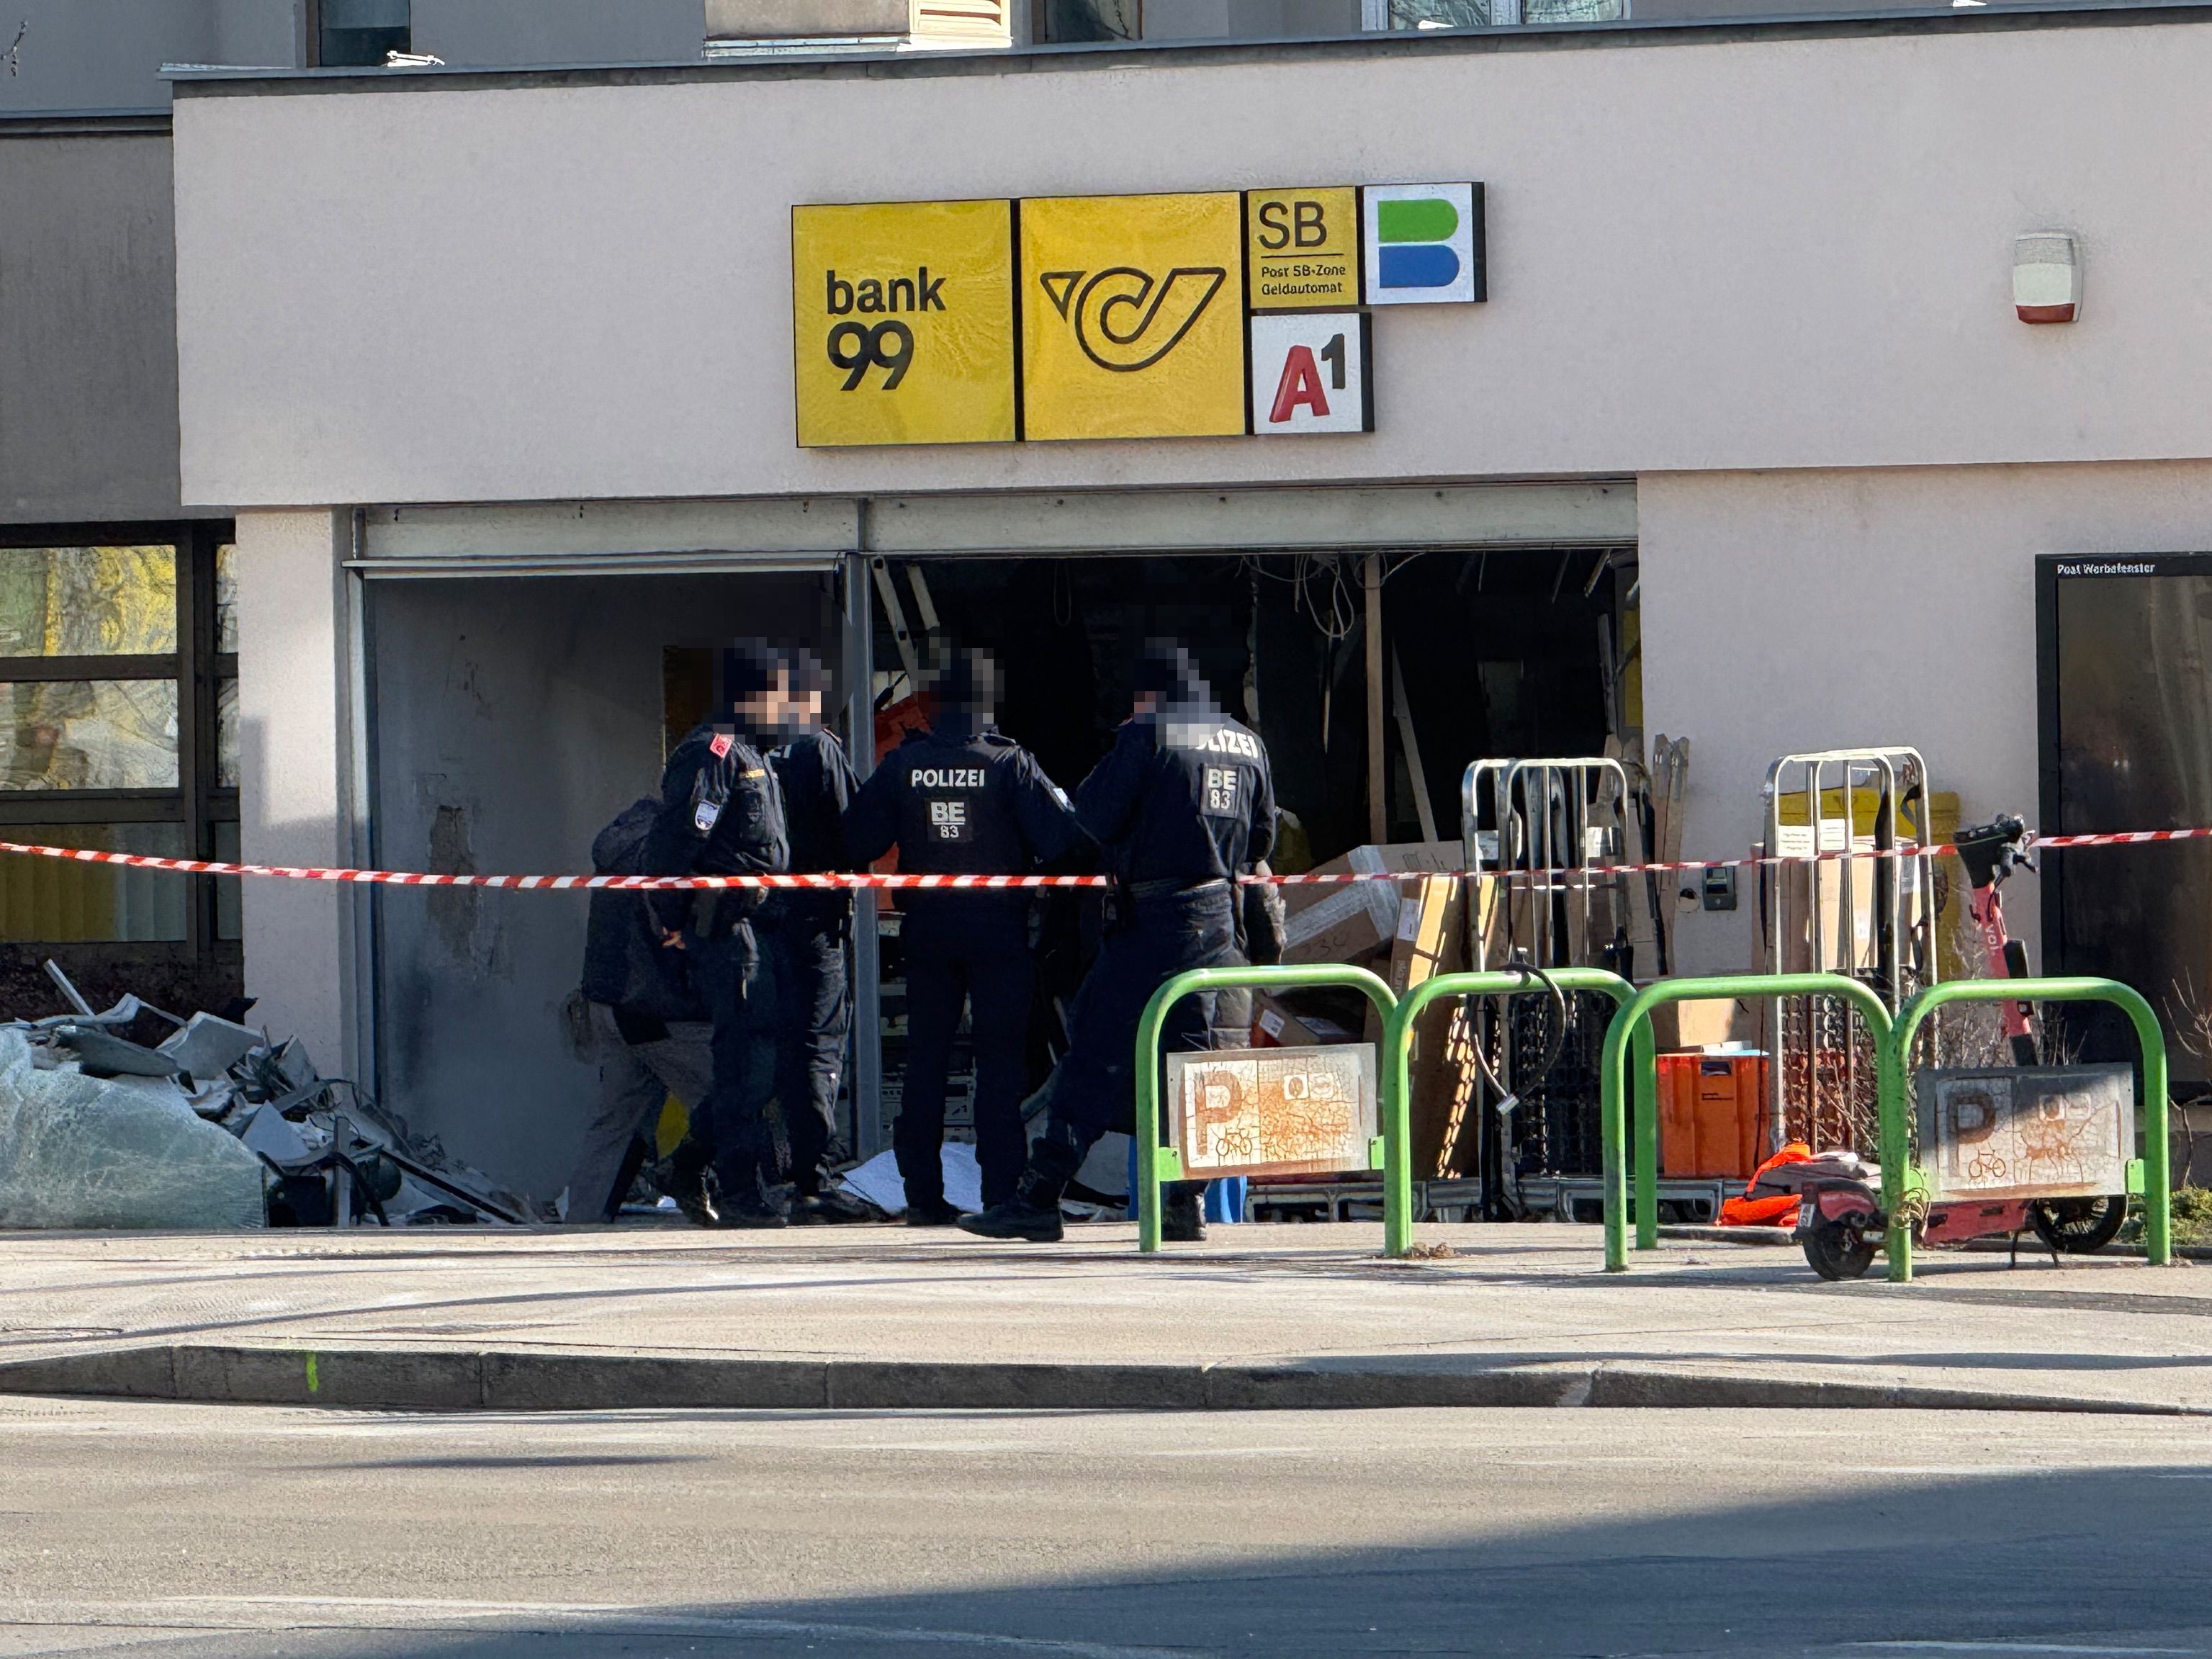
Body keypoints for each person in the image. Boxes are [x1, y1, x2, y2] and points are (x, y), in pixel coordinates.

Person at [961, 641, 1276, 1245]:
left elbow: (1094, 817)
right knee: (1193, 1068)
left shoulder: (1150, 734)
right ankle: (1185, 1206)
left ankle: (1038, 1197)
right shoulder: (1247, 741)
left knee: (1093, 1056)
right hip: (1220, 923)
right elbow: (1261, 836)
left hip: (1153, 924)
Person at [843, 648, 1087, 1223]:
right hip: (1000, 934)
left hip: (928, 932)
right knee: (999, 1064)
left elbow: (855, 839)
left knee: (926, 1061)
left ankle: (922, 1196)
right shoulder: (1009, 763)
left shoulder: (904, 765)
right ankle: (1001, 1195)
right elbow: (1062, 840)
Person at [643, 641, 794, 1227]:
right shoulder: (714, 750)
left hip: (759, 923)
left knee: (761, 1061)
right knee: (744, 1064)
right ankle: (737, 1189)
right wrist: (675, 920)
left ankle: (689, 1164)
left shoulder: (756, 752)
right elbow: (677, 840)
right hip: (725, 925)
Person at [561, 794, 714, 1225]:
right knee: (738, 1102)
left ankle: (583, 1220)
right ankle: (747, 1202)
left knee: (615, 1121)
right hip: (665, 1009)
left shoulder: (623, 838)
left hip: (611, 1005)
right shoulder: (672, 848)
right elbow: (675, 926)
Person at [764, 647, 872, 1223]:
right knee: (818, 1044)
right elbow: (852, 833)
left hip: (763, 917)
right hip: (814, 918)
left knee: (772, 1048)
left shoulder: (755, 750)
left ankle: (744, 1165)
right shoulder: (817, 747)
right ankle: (813, 1180)